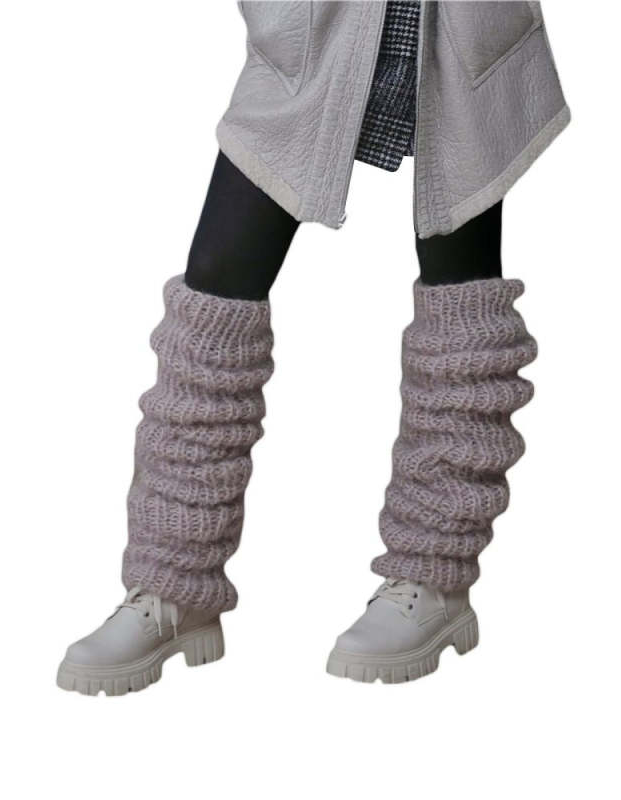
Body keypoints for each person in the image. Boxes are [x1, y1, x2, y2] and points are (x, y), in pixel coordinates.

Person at [57, 1, 569, 693]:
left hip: (461, 27)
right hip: (315, 26)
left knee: (462, 289)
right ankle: (172, 586)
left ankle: (434, 580)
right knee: (217, 290)